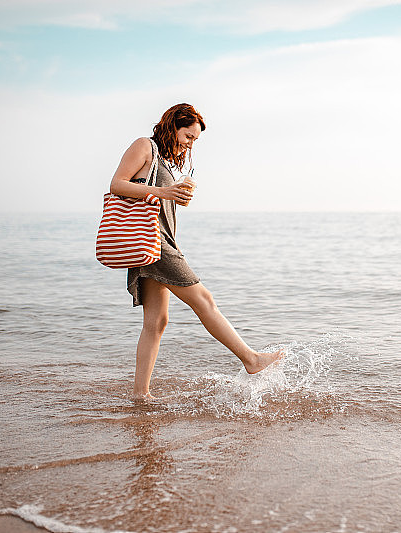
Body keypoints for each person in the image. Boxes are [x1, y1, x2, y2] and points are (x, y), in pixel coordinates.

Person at [109, 103, 285, 400]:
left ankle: (140, 394)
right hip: (153, 242)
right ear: (172, 126)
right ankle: (251, 359)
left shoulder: (164, 160)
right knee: (204, 300)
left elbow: (158, 199)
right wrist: (163, 192)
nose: (190, 144)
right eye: (188, 136)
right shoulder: (144, 146)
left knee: (156, 322)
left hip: (159, 242)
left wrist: (173, 195)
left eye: (195, 140)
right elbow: (117, 184)